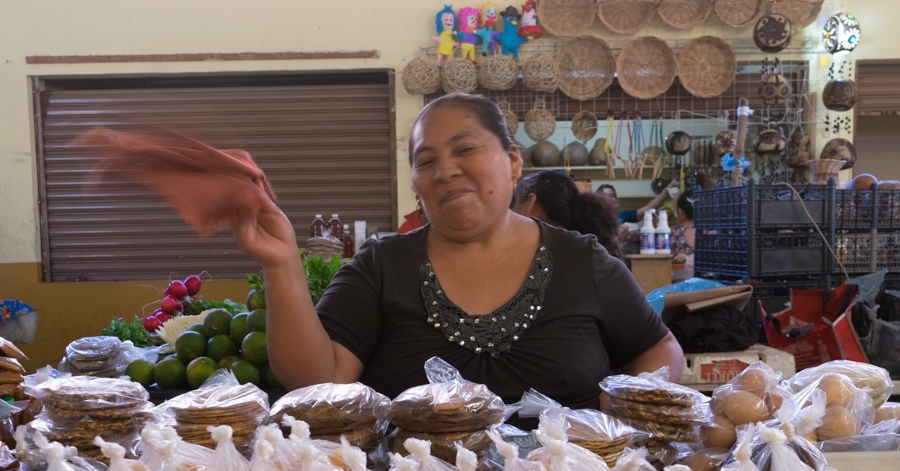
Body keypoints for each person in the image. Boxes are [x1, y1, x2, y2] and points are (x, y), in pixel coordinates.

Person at [230, 93, 685, 411]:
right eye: (426, 161)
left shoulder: (582, 261)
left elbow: (660, 348)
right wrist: (281, 262)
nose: (445, 171)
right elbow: (317, 383)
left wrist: (631, 399)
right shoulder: (381, 266)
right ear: (415, 183)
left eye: (465, 149)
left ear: (512, 162)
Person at [513, 170, 623, 260]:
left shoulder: (544, 265)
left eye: (514, 204)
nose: (510, 215)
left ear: (530, 206)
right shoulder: (590, 258)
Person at [596, 183, 671, 223]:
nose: (607, 198)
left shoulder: (623, 216)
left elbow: (649, 208)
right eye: (603, 195)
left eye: (611, 195)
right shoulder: (592, 218)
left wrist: (667, 190)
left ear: (615, 200)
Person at [670, 190, 696, 282]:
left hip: (677, 289)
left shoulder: (671, 234)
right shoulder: (714, 232)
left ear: (680, 212)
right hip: (713, 290)